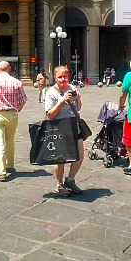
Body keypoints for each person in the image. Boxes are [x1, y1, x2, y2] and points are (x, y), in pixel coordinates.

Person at [44, 65, 84, 196]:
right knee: (60, 159)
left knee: (79, 157)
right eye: (60, 77)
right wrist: (61, 101)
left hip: (74, 126)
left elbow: (78, 108)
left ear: (69, 77)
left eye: (65, 76)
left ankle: (70, 180)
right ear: (55, 77)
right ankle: (59, 184)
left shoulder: (72, 88)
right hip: (59, 128)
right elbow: (49, 115)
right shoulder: (51, 92)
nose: (63, 79)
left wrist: (78, 99)